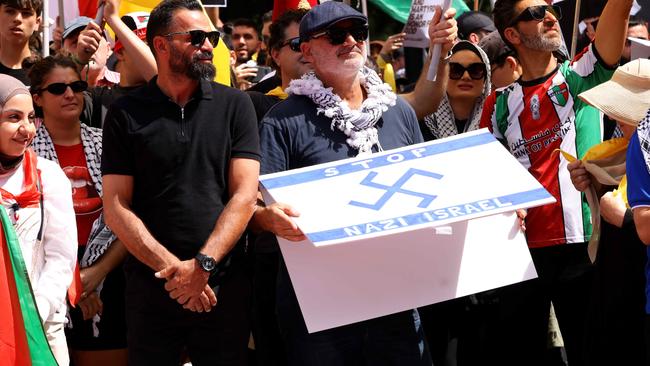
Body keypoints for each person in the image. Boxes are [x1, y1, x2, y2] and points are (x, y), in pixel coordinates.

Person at [251, 2, 454, 365]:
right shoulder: (282, 120)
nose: (349, 41)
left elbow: (433, 191)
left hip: (396, 299)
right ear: (307, 51)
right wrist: (267, 218)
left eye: (357, 32)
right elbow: (252, 207)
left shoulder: (397, 112)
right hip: (321, 311)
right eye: (335, 35)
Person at [101, 0, 260, 364]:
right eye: (196, 37)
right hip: (151, 293)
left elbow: (245, 195)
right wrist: (177, 273)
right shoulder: (125, 113)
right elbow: (116, 206)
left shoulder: (237, 105)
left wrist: (201, 267)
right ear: (160, 44)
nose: (208, 46)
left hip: (222, 289)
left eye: (212, 37)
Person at [480, 0, 633, 365]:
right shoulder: (498, 104)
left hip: (586, 244)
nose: (550, 17)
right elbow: (489, 179)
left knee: (593, 354)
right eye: (534, 13)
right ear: (512, 34)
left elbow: (621, 10)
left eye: (551, 9)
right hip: (521, 253)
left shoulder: (582, 74)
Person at [29, 54, 129, 366]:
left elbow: (130, 216)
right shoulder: (24, 152)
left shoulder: (107, 142)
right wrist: (72, 281)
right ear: (38, 99)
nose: (70, 94)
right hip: (43, 278)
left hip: (109, 274)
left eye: (76, 86)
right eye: (58, 89)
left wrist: (96, 273)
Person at [567, 58, 650, 366]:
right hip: (610, 285)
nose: (616, 118)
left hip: (638, 293)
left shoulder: (642, 150)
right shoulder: (613, 149)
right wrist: (590, 183)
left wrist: (625, 219)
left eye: (622, 111)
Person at [0, 74, 77, 366]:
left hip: (41, 328)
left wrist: (31, 313)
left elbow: (61, 258)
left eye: (31, 117)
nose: (26, 129)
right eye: (14, 117)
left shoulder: (48, 176)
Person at [0, 0, 42, 85]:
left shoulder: (46, 73)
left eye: (26, 13)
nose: (17, 19)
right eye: (10, 11)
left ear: (37, 23)